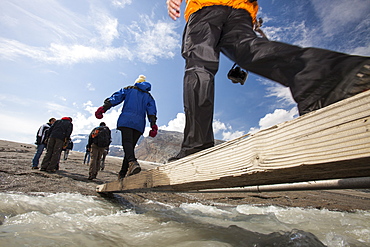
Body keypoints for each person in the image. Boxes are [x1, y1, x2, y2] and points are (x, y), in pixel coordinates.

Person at [166, 0, 370, 161]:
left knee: (199, 65)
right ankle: (331, 79)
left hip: (206, 7)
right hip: (241, 11)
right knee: (249, 48)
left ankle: (197, 145)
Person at [95, 75, 158, 180]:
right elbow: (152, 111)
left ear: (137, 82)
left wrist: (104, 108)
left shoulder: (129, 89)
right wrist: (153, 125)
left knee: (127, 144)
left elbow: (116, 98)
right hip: (139, 124)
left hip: (126, 121)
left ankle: (132, 163)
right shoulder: (149, 97)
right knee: (130, 148)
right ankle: (122, 174)